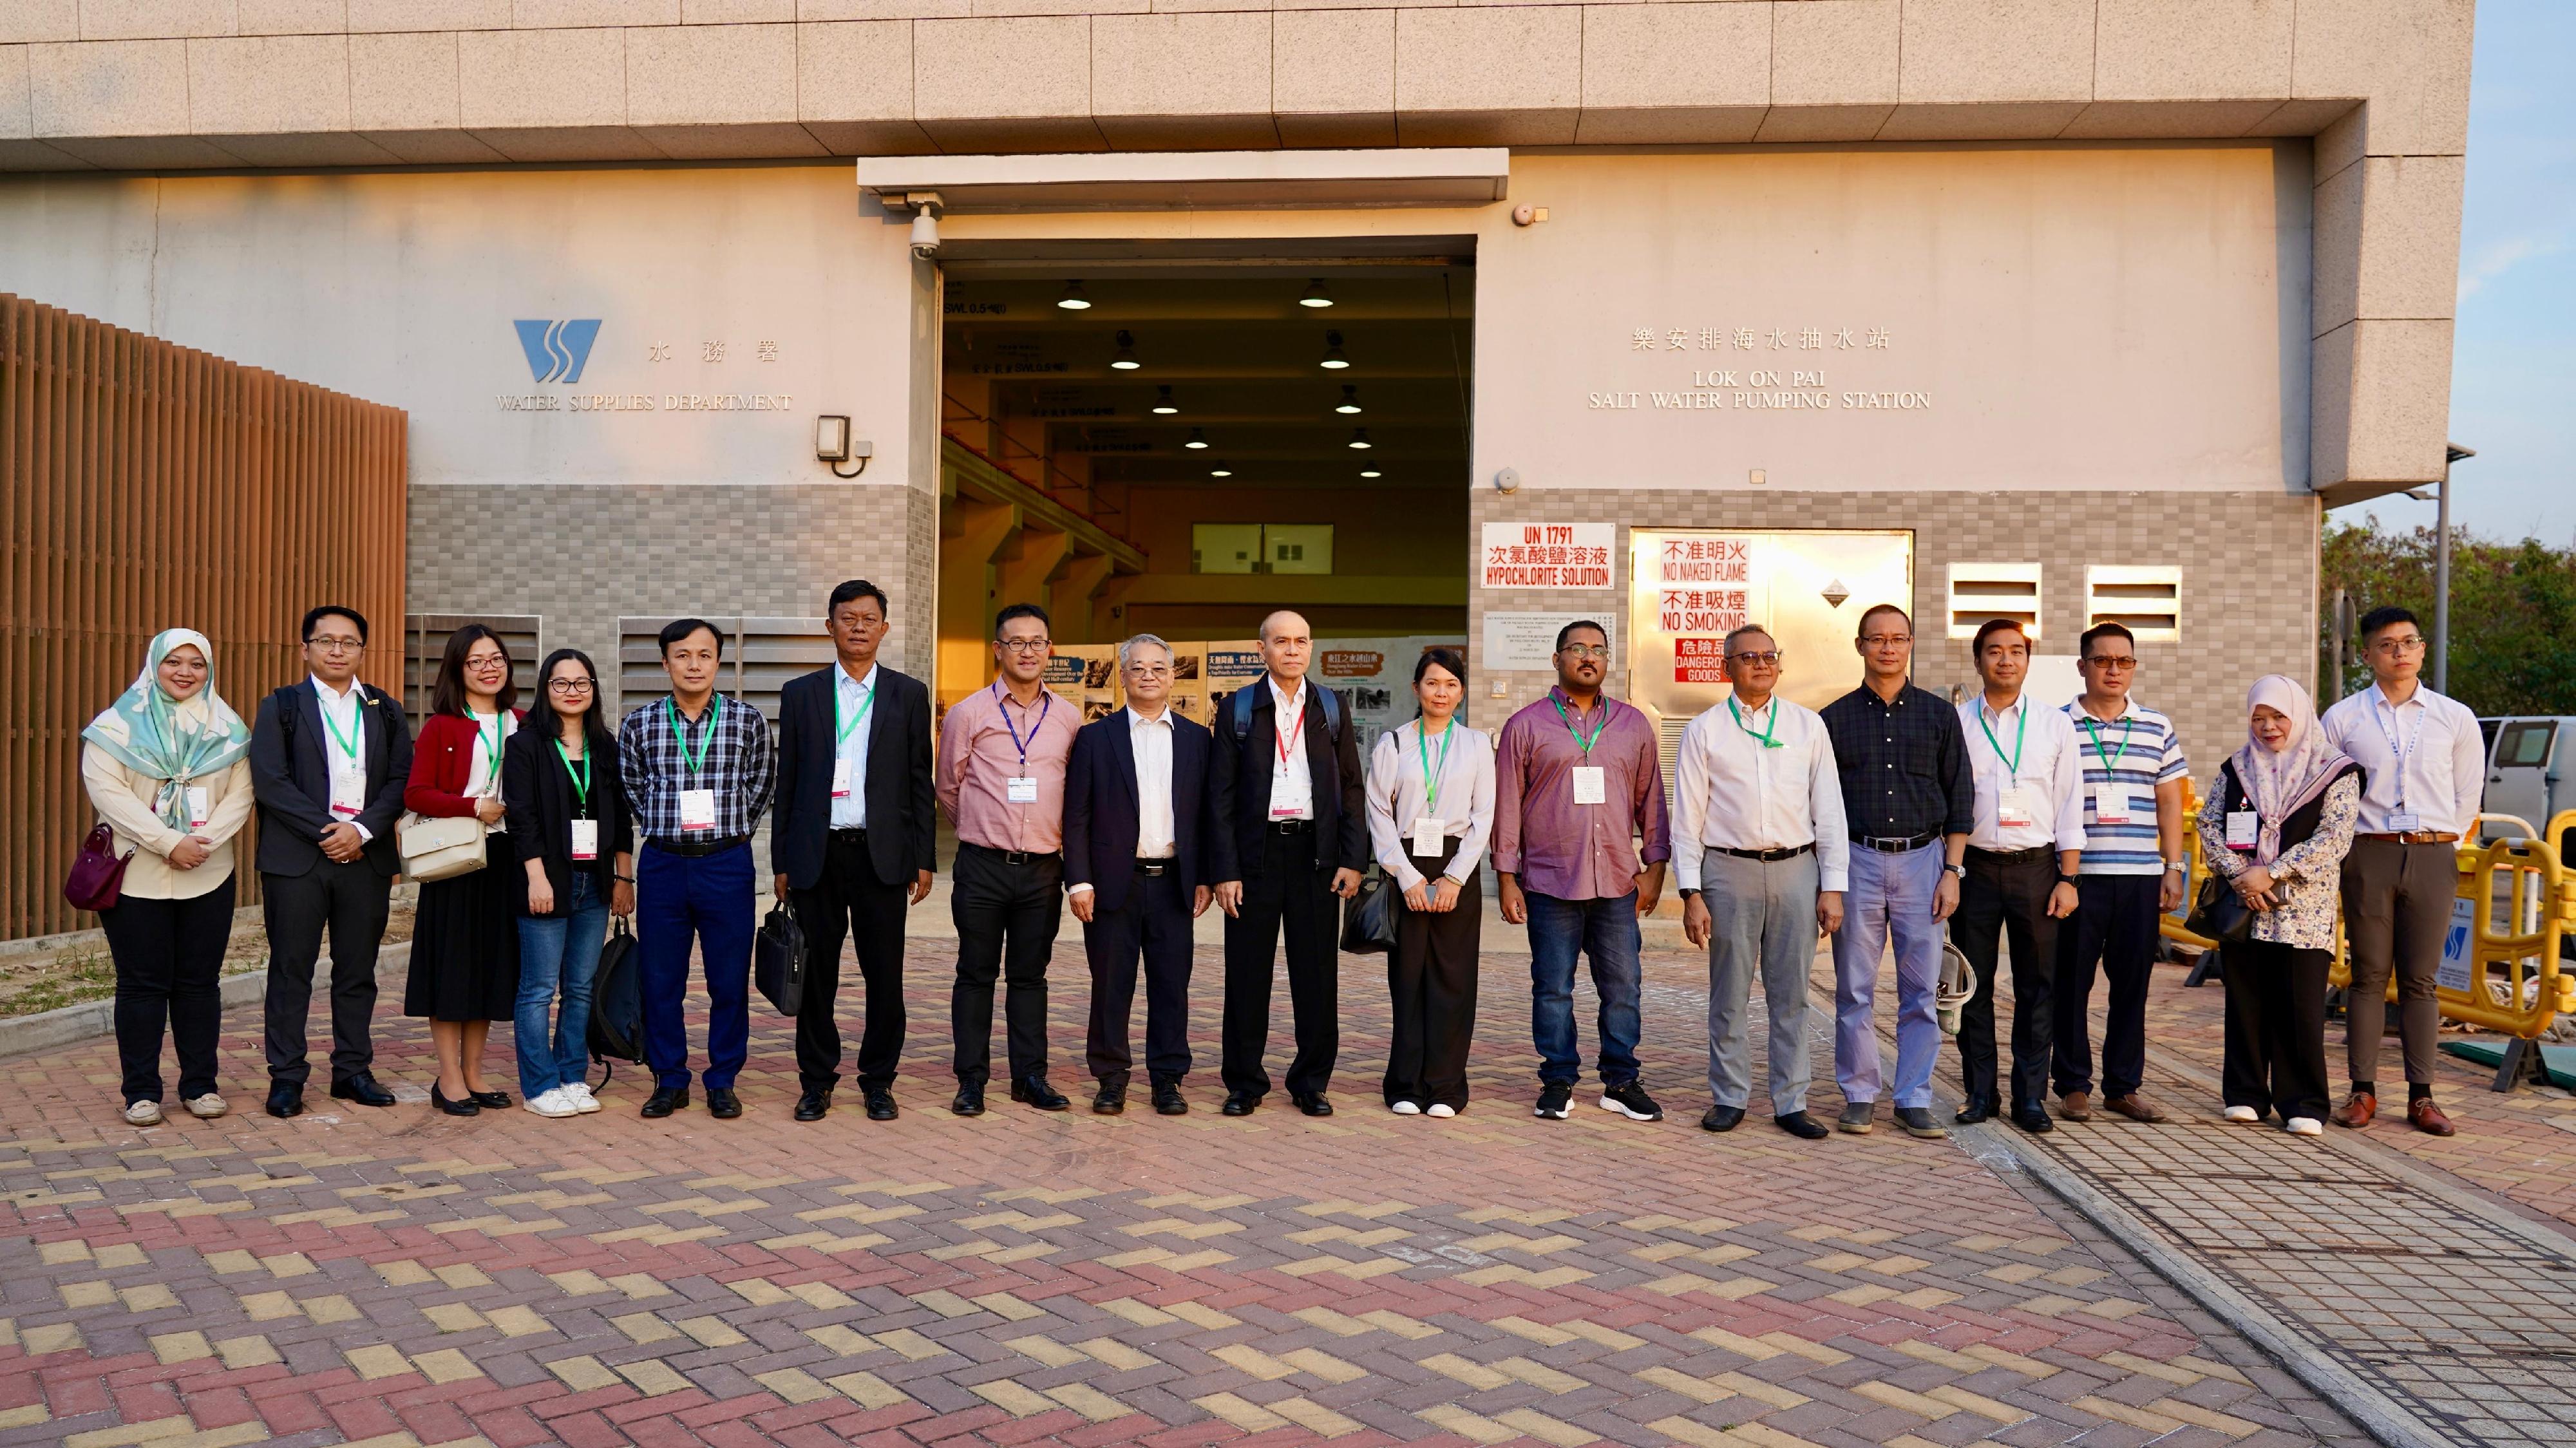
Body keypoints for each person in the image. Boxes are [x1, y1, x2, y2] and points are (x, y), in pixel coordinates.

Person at [1493, 620, 1671, 1124]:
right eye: (1577, 648)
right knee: (1553, 987)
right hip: (1551, 881)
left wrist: (1656, 866)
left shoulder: (1634, 725)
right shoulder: (1525, 726)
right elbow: (1508, 807)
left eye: (1598, 649)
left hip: (1617, 882)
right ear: (1557, 659)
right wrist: (1507, 876)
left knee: (1623, 987)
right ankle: (1557, 1078)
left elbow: (1651, 803)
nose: (1588, 657)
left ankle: (1621, 1080)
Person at [1674, 626, 1846, 1140]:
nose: (1761, 664)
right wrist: (1691, 892)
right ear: (1728, 666)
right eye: (1748, 656)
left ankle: (1791, 1100)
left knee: (1790, 992)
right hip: (1728, 870)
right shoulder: (1704, 730)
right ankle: (1729, 1095)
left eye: (1770, 655)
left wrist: (1831, 885)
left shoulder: (1807, 725)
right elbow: (1687, 818)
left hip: (1797, 868)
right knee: (1728, 991)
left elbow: (1829, 810)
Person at [772, 580, 936, 1124]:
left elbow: (920, 781)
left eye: (869, 618)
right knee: (815, 973)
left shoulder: (909, 694)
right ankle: (816, 1081)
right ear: (830, 627)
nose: (859, 626)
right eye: (848, 618)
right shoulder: (800, 694)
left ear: (884, 629)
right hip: (817, 855)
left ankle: (879, 1080)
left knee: (884, 975)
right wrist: (781, 861)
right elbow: (787, 782)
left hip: (882, 856)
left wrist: (924, 856)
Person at [2318, 605, 2484, 1136]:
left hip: (2434, 853)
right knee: (2367, 975)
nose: (2400, 652)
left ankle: (2422, 1096)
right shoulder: (2343, 718)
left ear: (2421, 649)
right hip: (2368, 852)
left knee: (2421, 980)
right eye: (2387, 645)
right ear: (2367, 654)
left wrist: (2441, 839)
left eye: (2409, 642)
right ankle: (2361, 1091)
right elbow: (2328, 791)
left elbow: (2468, 794)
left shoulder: (2453, 716)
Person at [81, 628, 256, 1125]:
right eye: (173, 661)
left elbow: (241, 795)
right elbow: (108, 793)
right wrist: (168, 841)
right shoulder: (115, 727)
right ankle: (141, 1091)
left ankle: (200, 1085)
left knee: (200, 984)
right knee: (141, 985)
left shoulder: (230, 730)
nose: (185, 672)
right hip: (135, 874)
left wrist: (201, 844)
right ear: (153, 665)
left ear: (210, 670)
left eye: (197, 663)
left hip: (208, 872)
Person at [249, 605, 413, 1120]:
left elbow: (400, 781)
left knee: (357, 969)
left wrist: (360, 830)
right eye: (326, 641)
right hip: (298, 859)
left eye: (349, 642)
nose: (337, 650)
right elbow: (270, 781)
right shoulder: (281, 707)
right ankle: (287, 1076)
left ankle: (352, 1070)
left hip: (365, 857)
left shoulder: (384, 708)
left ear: (363, 650)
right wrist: (331, 831)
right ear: (306, 649)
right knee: (291, 969)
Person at [1819, 605, 1972, 1140]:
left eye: (1898, 638)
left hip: (1923, 860)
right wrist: (1829, 881)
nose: (1888, 647)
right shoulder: (1833, 719)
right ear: (1860, 645)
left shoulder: (1938, 715)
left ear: (1911, 644)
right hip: (1857, 860)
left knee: (1920, 990)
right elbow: (1821, 805)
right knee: (1854, 988)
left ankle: (1913, 1096)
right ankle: (1860, 1093)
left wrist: (1952, 870)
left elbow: (1961, 798)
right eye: (1877, 639)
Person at [1208, 610, 1367, 1117]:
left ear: (1311, 647)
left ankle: (1311, 1081)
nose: (1292, 650)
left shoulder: (1330, 706)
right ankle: (1244, 1082)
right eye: (1281, 641)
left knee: (1317, 974)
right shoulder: (1237, 708)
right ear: (1262, 650)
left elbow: (1351, 788)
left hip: (1315, 857)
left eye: (1301, 641)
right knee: (1247, 973)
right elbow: (1220, 799)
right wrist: (1225, 870)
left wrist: (1352, 858)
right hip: (1255, 856)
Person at [619, 619, 775, 1121]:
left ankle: (723, 1079)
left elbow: (760, 786)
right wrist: (667, 826)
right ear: (665, 662)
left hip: (727, 863)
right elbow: (633, 790)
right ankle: (670, 1078)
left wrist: (728, 833)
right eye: (682, 655)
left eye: (704, 655)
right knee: (661, 979)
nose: (693, 664)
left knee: (728, 981)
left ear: (718, 662)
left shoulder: (746, 720)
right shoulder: (639, 724)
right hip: (663, 862)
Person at [936, 602, 1081, 1115]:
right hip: (982, 867)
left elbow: (1074, 790)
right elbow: (948, 788)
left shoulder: (1068, 717)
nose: (1027, 651)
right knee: (974, 973)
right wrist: (983, 828)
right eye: (1016, 642)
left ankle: (1030, 1077)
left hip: (1042, 868)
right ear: (997, 649)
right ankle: (971, 1079)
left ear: (1050, 650)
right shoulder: (968, 713)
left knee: (1030, 976)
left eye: (1037, 641)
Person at [2202, 677, 2363, 1134]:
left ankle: (2305, 1102)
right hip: (2245, 905)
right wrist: (2239, 874)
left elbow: (2335, 836)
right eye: (2259, 718)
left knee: (2300, 1007)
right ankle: (2245, 1093)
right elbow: (2209, 822)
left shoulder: (2335, 769)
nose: (2268, 726)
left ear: (2299, 714)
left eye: (2278, 716)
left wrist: (2271, 871)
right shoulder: (2238, 768)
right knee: (2246, 1000)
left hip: (2302, 910)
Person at [1065, 634, 1217, 1116]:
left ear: (1173, 676)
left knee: (1172, 984)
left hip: (1175, 880)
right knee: (1111, 985)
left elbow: (1208, 815)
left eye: (1158, 667)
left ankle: (1168, 1078)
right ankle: (1110, 1078)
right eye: (1137, 667)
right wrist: (1080, 879)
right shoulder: (1095, 737)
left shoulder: (1197, 738)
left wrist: (1206, 875)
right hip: (1114, 882)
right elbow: (1077, 815)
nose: (1148, 675)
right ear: (1123, 675)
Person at [1949, 619, 2084, 1134]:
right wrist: (1951, 871)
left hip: (2038, 869)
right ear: (1978, 659)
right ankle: (1979, 1091)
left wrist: (2068, 877)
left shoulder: (2055, 725)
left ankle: (2031, 1096)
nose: (2005, 659)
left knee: (2038, 986)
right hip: (1975, 868)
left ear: (2028, 659)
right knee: (1973, 985)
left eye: (2015, 651)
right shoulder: (1956, 722)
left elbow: (2070, 802)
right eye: (1994, 651)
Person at [2052, 622, 2189, 1125]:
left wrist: (2173, 867)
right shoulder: (2057, 724)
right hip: (2078, 876)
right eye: (2103, 660)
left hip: (2138, 875)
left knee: (2132, 985)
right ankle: (2072, 1084)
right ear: (2082, 664)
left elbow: (2170, 799)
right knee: (2071, 984)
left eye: (2124, 661)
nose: (2114, 670)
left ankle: (2123, 1086)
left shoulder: (2156, 725)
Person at [1364, 648, 1494, 1117]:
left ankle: (1445, 1086)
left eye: (1451, 684)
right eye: (1433, 683)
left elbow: (1484, 815)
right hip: (1407, 863)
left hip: (1457, 863)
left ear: (1461, 692)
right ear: (1417, 688)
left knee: (1453, 979)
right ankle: (1404, 1083)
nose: (1442, 692)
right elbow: (1377, 811)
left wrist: (1455, 877)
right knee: (1408, 978)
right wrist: (1406, 875)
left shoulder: (1477, 744)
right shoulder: (1394, 743)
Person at [504, 648, 634, 1119]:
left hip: (595, 883)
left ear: (594, 690)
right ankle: (539, 1085)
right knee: (538, 988)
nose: (572, 691)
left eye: (582, 683)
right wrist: (537, 878)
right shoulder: (526, 746)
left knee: (580, 987)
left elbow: (621, 818)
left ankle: (573, 1075)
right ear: (545, 689)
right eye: (561, 683)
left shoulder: (606, 747)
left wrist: (624, 877)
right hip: (547, 881)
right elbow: (523, 820)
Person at [402, 626, 525, 1116]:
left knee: (490, 969)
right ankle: (448, 1076)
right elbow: (416, 793)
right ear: (457, 669)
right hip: (456, 859)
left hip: (508, 860)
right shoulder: (443, 725)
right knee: (452, 968)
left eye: (496, 658)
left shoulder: (524, 721)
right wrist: (474, 806)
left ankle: (474, 1072)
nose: (489, 667)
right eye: (476, 661)